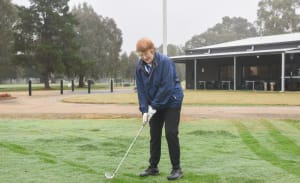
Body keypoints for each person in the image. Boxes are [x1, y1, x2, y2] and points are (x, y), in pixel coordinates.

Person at [135, 38, 184, 180]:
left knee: (170, 132)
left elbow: (166, 87)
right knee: (154, 133)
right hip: (154, 104)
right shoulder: (139, 66)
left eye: (147, 54)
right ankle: (153, 167)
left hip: (172, 101)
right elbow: (141, 90)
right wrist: (144, 110)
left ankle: (177, 169)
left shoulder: (165, 62)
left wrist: (153, 107)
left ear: (153, 50)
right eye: (142, 55)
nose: (145, 58)